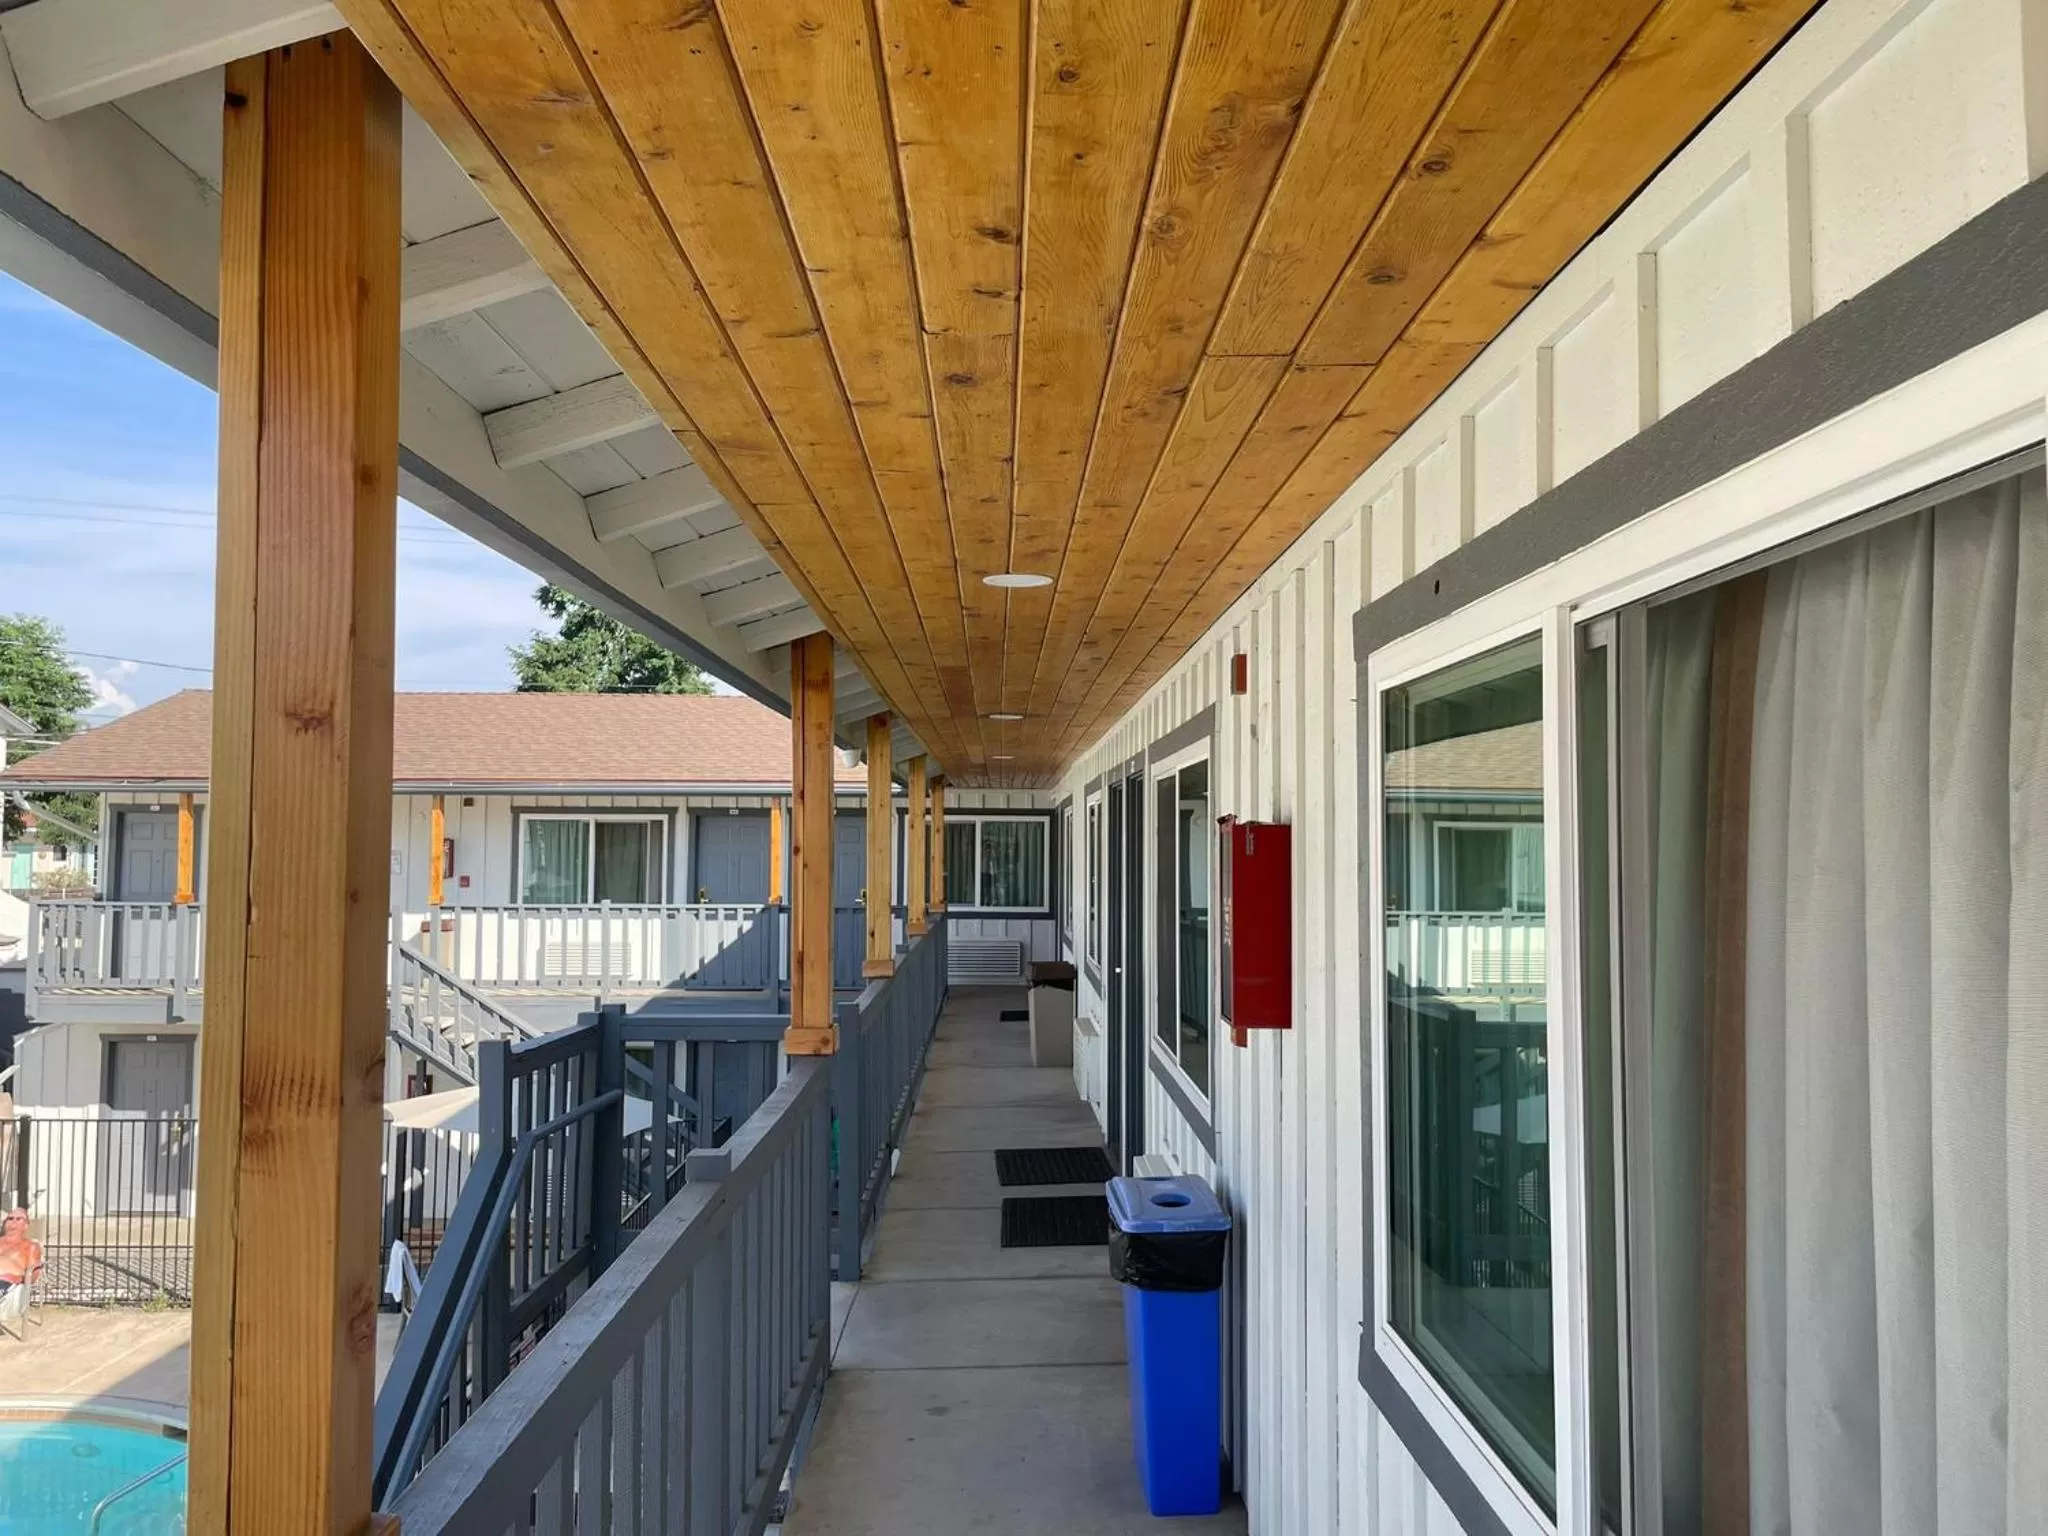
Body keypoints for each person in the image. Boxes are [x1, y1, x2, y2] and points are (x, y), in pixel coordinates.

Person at [0, 1207, 40, 1297]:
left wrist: (21, 1281)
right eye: (10, 1218)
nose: (13, 1221)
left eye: (19, 1219)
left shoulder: (30, 1246)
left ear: (26, 1225)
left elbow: (33, 1274)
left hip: (8, 1285)